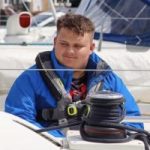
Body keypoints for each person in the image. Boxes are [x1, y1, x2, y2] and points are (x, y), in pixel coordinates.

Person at [5, 13, 143, 137]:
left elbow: (133, 120)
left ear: (91, 48)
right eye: (64, 44)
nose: (70, 51)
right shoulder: (30, 78)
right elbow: (20, 123)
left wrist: (102, 138)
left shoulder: (109, 79)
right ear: (54, 42)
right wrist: (62, 141)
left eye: (77, 46)